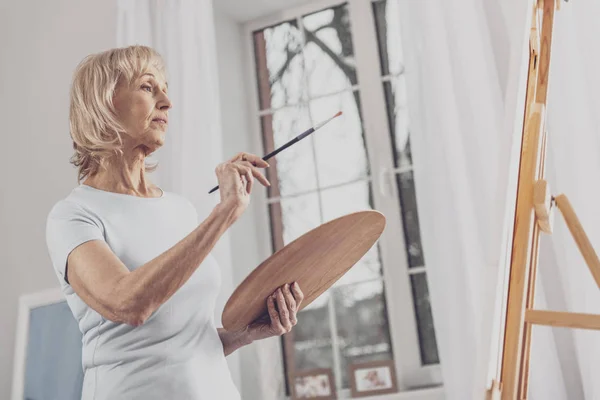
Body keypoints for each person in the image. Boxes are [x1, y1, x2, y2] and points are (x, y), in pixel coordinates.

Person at [45, 45, 304, 400]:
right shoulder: (73, 216)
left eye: (164, 89)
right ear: (103, 103)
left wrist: (245, 333)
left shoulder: (181, 210)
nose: (167, 101)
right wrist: (223, 214)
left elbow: (180, 342)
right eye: (148, 87)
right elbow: (129, 305)